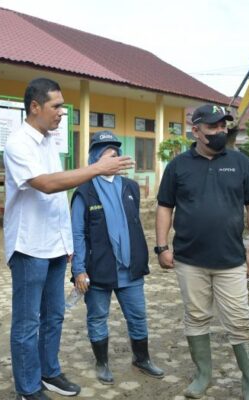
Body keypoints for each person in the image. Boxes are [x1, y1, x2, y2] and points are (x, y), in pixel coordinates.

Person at [3, 77, 133, 400]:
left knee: (55, 315)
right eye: (56, 106)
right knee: (27, 322)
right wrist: (96, 169)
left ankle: (49, 371)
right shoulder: (18, 143)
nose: (63, 112)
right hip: (29, 246)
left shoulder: (49, 141)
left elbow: (59, 193)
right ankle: (27, 387)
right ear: (35, 107)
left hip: (54, 246)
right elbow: (47, 184)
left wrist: (70, 246)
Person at [156, 104, 249, 400]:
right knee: (196, 317)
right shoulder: (178, 166)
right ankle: (203, 375)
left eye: (223, 126)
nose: (220, 132)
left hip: (231, 260)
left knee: (240, 321)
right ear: (196, 130)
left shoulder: (241, 163)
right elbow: (165, 206)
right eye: (213, 127)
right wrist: (162, 245)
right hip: (190, 260)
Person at [70, 130, 164, 386]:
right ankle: (102, 363)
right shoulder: (84, 191)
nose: (114, 159)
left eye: (116, 154)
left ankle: (141, 358)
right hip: (99, 269)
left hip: (131, 269)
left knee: (138, 315)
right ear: (95, 159)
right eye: (106, 155)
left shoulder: (130, 187)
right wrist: (79, 270)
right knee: (98, 317)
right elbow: (77, 234)